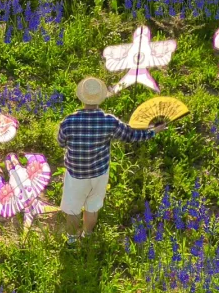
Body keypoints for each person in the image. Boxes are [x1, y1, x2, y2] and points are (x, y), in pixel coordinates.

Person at [56, 76, 161, 235]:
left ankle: (71, 240)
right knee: (92, 207)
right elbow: (131, 135)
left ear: (81, 97)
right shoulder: (109, 121)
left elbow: (61, 142)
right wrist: (153, 131)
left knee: (72, 209)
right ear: (100, 98)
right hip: (99, 173)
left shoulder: (69, 121)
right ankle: (87, 235)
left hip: (75, 174)